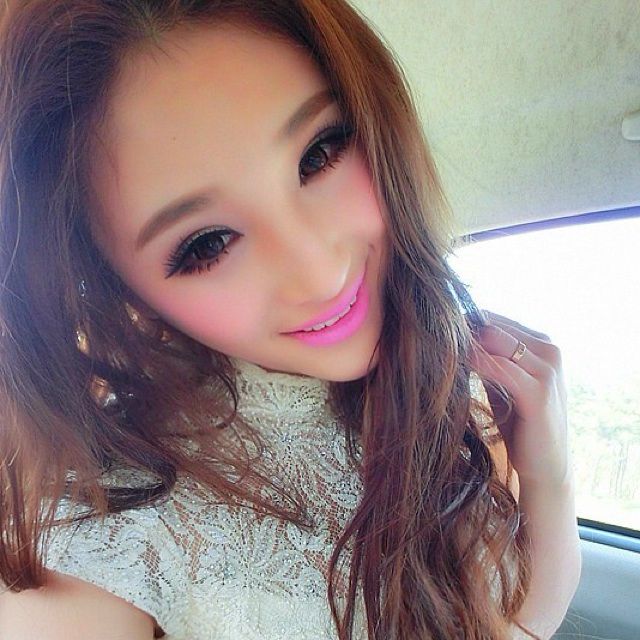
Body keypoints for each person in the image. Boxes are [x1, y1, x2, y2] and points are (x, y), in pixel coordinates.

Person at [0, 1, 580, 638]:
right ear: (118, 286)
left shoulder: (449, 389)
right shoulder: (104, 520)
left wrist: (549, 479)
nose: (320, 274)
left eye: (319, 155)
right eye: (207, 244)